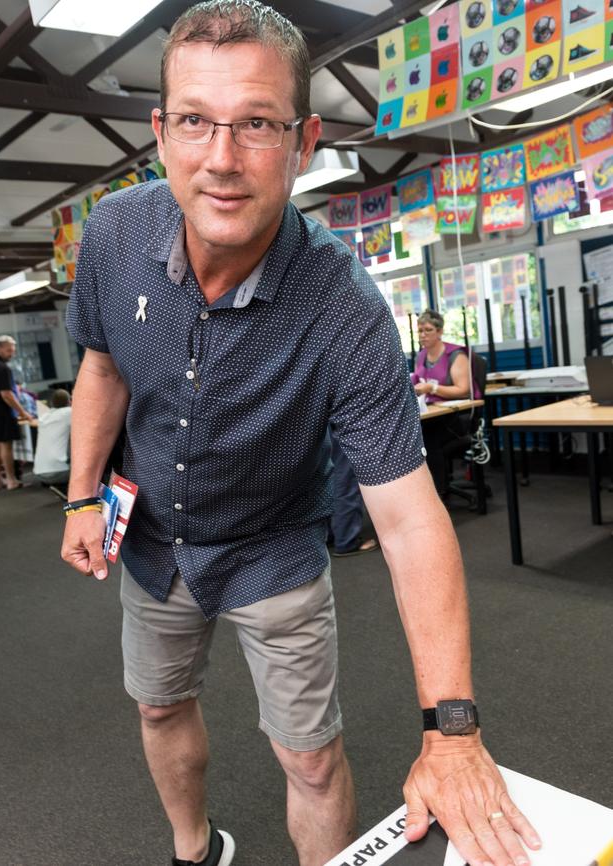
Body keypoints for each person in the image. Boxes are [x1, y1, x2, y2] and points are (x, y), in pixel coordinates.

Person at [62, 4, 540, 866]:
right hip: (152, 542)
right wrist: (78, 498)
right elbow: (102, 368)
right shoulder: (112, 236)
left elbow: (407, 517)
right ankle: (195, 850)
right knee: (160, 706)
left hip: (273, 549)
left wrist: (454, 731)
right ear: (160, 131)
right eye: (196, 122)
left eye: (256, 124)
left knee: (312, 758)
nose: (222, 158)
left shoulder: (345, 306)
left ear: (304, 139)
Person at [411, 309, 480, 496]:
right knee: (416, 434)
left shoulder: (455, 356)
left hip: (458, 416)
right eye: (420, 331)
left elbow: (463, 389)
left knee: (429, 439)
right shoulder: (421, 356)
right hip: (432, 414)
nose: (423, 335)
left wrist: (432, 389)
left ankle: (438, 493)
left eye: (428, 330)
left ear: (440, 331)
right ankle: (424, 491)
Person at [0, 335, 34, 490]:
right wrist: (23, 412)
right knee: (5, 445)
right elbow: (7, 394)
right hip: (1, 411)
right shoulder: (2, 368)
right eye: (9, 350)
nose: (12, 354)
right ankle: (11, 480)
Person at [328, 426, 378, 557]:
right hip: (338, 421)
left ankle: (331, 533)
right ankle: (347, 540)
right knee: (345, 478)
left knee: (328, 474)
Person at [33, 389, 72, 492]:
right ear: (69, 401)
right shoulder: (69, 412)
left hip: (39, 472)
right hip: (60, 472)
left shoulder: (44, 417)